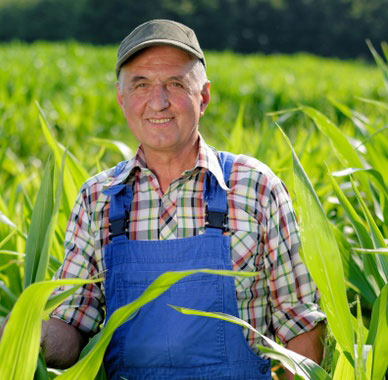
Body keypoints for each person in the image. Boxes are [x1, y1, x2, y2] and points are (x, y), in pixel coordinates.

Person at [42, 19, 326, 379]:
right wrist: (34, 337)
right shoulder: (98, 198)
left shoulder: (255, 188)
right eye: (141, 85)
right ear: (122, 98)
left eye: (175, 84)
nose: (158, 103)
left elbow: (300, 326)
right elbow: (73, 325)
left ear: (203, 96)